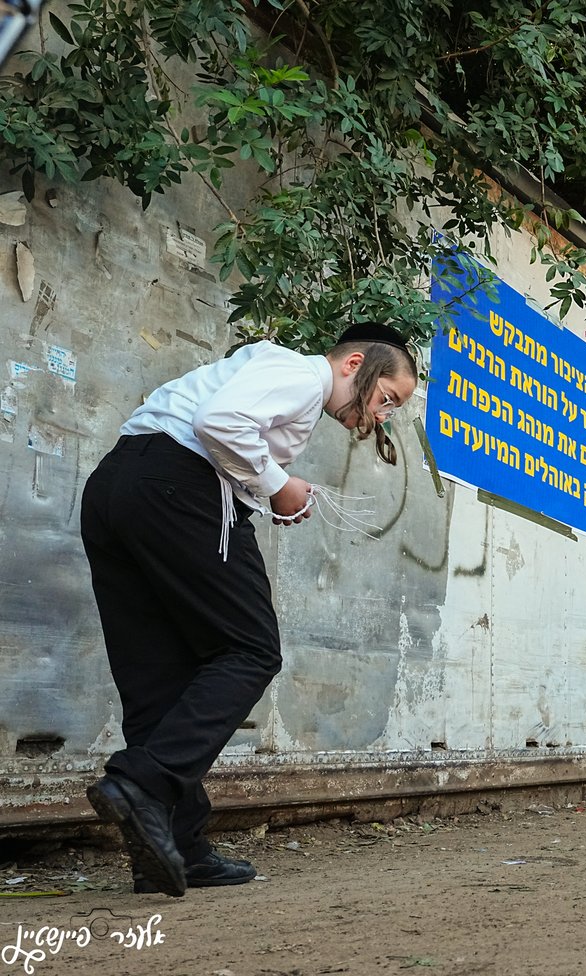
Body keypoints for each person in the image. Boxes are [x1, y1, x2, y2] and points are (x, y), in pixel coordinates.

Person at [80, 322, 418, 896]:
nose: (381, 415)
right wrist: (277, 484)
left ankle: (176, 849)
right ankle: (142, 782)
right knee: (250, 650)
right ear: (353, 364)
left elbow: (223, 427)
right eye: (387, 399)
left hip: (119, 487)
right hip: (179, 484)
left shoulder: (279, 380)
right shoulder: (300, 374)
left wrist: (271, 490)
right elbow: (219, 425)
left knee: (156, 677)